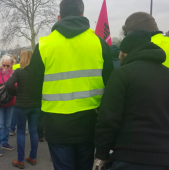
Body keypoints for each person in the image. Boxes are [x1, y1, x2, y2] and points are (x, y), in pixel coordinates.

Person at [26, 0, 114, 169]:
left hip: (56, 124)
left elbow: (32, 90)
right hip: (89, 122)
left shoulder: (44, 45)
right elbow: (110, 85)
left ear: (59, 17)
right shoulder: (99, 43)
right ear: (82, 15)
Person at [95, 30, 169, 170]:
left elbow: (108, 119)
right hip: (166, 159)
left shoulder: (122, 74)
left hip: (129, 158)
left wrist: (101, 154)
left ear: (126, 53)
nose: (119, 57)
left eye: (120, 53)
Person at [6, 51, 41, 169]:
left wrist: (15, 93)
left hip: (21, 105)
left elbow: (8, 85)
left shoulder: (19, 72)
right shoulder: (38, 73)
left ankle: (20, 160)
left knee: (20, 132)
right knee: (34, 131)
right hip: (36, 105)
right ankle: (33, 157)